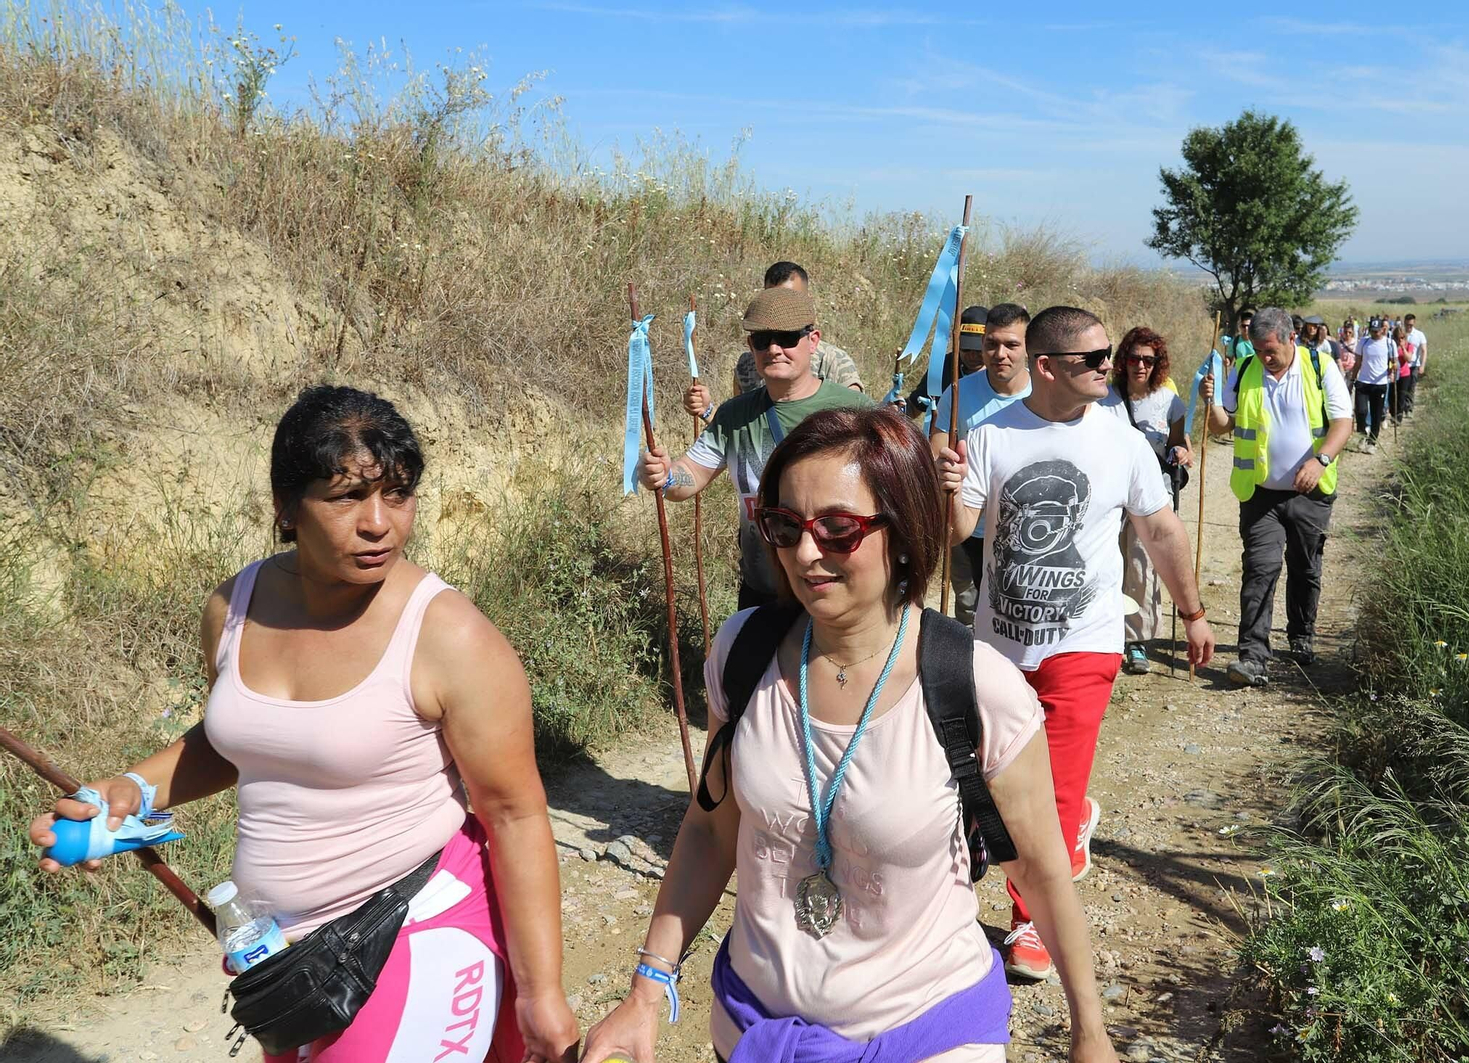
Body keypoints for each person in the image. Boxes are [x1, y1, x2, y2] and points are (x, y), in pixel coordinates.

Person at [29, 387, 578, 1062]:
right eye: (347, 496)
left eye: (398, 494)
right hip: (286, 960)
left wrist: (541, 990)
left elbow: (516, 813)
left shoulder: (448, 635)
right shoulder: (236, 604)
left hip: (419, 926)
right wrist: (132, 791)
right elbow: (245, 743)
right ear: (286, 505)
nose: (379, 522)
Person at [581, 408, 1118, 1063]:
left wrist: (1089, 1032)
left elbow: (1038, 869)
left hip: (930, 1035)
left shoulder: (978, 688)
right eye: (785, 526)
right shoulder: (743, 651)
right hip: (753, 1028)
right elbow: (709, 827)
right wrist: (648, 984)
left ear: (903, 529)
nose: (805, 553)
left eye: (838, 528)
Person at [937, 306, 1215, 980]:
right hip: (999, 646)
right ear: (1046, 367)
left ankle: (1030, 920)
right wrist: (945, 487)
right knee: (995, 782)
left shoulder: (1121, 440)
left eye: (1106, 355)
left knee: (1051, 790)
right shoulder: (989, 435)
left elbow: (1161, 530)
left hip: (1083, 642)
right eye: (1091, 359)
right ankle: (1047, 846)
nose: (1106, 367)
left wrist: (1193, 611)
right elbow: (957, 533)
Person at [644, 286, 875, 610]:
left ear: (813, 340)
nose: (775, 349)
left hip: (834, 596)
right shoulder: (735, 415)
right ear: (751, 346)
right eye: (762, 340)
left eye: (787, 337)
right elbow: (691, 474)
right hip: (762, 594)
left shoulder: (857, 413)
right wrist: (665, 475)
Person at [1199, 308, 1354, 687]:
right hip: (1260, 494)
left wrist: (1321, 461)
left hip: (1311, 494)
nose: (1265, 358)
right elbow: (1224, 426)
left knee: (1304, 567)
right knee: (1260, 568)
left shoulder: (1320, 367)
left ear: (1291, 339)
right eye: (1258, 349)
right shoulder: (1247, 369)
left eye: (1271, 350)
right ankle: (1252, 655)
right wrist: (1213, 401)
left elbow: (1342, 423)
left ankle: (1301, 634)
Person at [929, 303, 1031, 627]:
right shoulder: (958, 393)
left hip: (1024, 529)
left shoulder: (1044, 394)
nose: (1000, 353)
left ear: (1028, 348)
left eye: (1011, 345)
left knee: (1017, 612)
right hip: (971, 527)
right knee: (972, 610)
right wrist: (944, 468)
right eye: (992, 344)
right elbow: (937, 450)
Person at [1099, 327, 1192, 675]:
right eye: (1135, 358)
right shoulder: (1102, 399)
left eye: (1148, 360)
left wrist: (1182, 452)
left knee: (1141, 567)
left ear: (1158, 364)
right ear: (1123, 360)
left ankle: (1136, 642)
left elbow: (1181, 445)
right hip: (1110, 495)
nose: (1141, 365)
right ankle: (1106, 635)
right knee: (1108, 565)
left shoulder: (1170, 403)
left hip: (1151, 497)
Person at [687, 262, 864, 421]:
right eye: (773, 299)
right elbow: (739, 432)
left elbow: (857, 427)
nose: (781, 308)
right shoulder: (748, 365)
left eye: (790, 299)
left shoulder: (834, 361)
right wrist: (707, 410)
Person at [908, 305, 989, 420]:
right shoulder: (942, 367)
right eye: (966, 348)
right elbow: (914, 407)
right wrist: (897, 411)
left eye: (978, 350)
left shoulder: (998, 373)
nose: (972, 355)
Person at [1352, 318, 1393, 453]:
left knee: (1376, 414)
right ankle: (1362, 434)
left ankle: (1372, 441)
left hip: (1380, 383)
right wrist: (1353, 378)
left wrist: (1392, 370)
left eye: (1377, 331)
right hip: (1363, 382)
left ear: (1383, 329)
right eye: (1372, 331)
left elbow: (1394, 361)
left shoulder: (1389, 343)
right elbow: (1357, 362)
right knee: (1361, 411)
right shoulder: (1363, 342)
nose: (1375, 334)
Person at [1393, 320, 1416, 425]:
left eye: (1402, 337)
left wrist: (1402, 348)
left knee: (1401, 396)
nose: (1400, 339)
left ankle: (1399, 417)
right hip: (1393, 373)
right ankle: (1393, 414)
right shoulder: (1391, 345)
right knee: (1392, 396)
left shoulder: (1409, 346)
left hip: (1404, 374)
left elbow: (1409, 359)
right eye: (1398, 338)